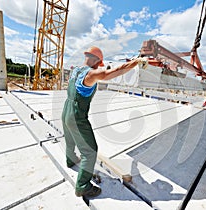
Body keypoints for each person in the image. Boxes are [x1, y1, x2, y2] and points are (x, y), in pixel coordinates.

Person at [61, 46, 147, 197]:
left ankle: (70, 160)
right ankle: (82, 186)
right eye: (99, 63)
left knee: (70, 139)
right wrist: (136, 62)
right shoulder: (93, 74)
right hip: (77, 115)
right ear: (96, 61)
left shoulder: (75, 70)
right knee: (90, 151)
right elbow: (110, 73)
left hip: (66, 110)